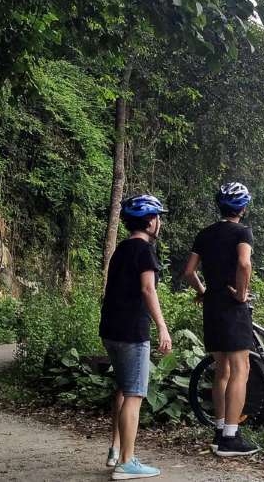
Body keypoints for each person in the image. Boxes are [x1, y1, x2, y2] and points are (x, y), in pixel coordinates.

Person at [181, 182, 260, 457]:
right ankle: (231, 436)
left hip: (212, 304)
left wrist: (203, 292)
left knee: (221, 369)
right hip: (231, 305)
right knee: (241, 368)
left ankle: (218, 431)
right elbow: (244, 263)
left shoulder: (205, 234)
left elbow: (189, 271)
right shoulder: (242, 232)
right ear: (244, 207)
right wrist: (241, 294)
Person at [100, 194, 173, 480]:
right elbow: (147, 290)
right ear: (150, 220)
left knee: (123, 388)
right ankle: (127, 463)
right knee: (134, 394)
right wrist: (162, 327)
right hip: (132, 331)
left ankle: (116, 451)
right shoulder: (145, 251)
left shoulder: (121, 249)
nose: (160, 223)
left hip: (111, 329)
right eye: (159, 217)